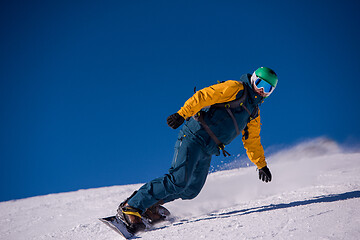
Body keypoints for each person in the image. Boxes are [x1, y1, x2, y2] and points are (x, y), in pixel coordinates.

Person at [117, 67, 278, 233]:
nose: (261, 90)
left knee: (190, 190)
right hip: (194, 135)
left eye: (268, 89)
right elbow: (204, 96)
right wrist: (182, 114)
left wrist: (261, 164)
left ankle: (150, 205)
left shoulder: (253, 113)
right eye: (259, 83)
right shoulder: (236, 88)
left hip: (208, 149)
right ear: (253, 79)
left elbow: (252, 141)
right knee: (178, 180)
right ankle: (132, 206)